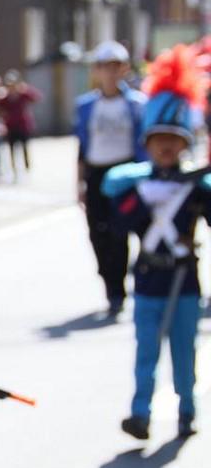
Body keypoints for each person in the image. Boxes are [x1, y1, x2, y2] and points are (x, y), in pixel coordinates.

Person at [101, 44, 207, 440]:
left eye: (174, 138)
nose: (165, 145)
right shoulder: (133, 186)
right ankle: (140, 413)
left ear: (185, 143)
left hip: (185, 281)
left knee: (184, 353)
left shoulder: (197, 188)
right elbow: (119, 220)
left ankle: (186, 411)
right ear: (147, 142)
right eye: (158, 137)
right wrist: (146, 203)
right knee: (146, 354)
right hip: (148, 279)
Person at [75, 40, 147, 319]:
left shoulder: (137, 103)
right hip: (97, 174)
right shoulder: (86, 106)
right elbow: (81, 147)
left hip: (126, 174)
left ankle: (119, 291)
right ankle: (109, 280)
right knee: (98, 233)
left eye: (116, 66)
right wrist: (80, 183)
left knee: (122, 232)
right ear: (97, 70)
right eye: (105, 67)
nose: (111, 73)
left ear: (125, 69)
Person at [0, 70, 41, 180]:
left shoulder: (23, 94)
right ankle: (13, 169)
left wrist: (26, 89)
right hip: (11, 126)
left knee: (25, 148)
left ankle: (27, 168)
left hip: (23, 125)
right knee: (12, 149)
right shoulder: (4, 97)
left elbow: (36, 97)